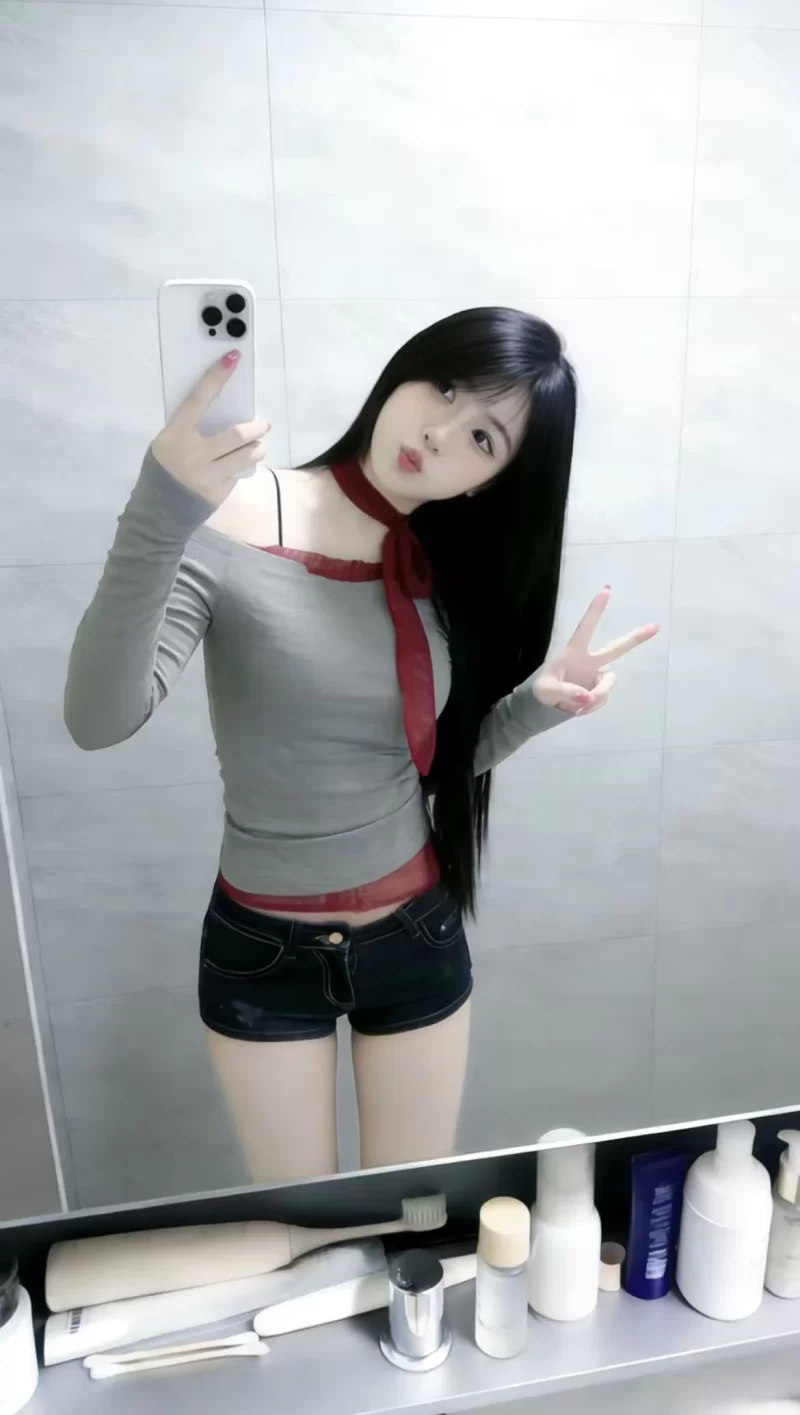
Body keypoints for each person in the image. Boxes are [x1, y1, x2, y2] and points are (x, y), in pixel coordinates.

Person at [64, 307, 658, 1183]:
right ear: (407, 367)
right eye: (445, 387)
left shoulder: (440, 569)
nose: (440, 431)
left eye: (483, 437)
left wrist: (534, 706)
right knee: (307, 1225)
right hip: (263, 951)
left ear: (491, 481)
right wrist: (162, 501)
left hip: (416, 936)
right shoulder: (236, 512)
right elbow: (98, 718)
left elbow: (422, 770)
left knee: (411, 1217)